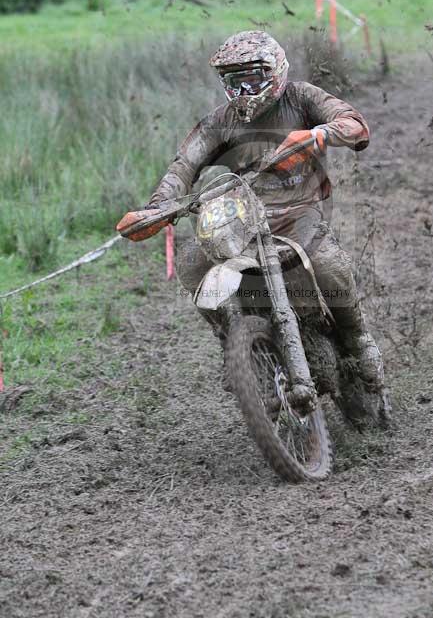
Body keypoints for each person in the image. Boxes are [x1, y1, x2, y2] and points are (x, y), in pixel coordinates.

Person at [143, 30, 391, 427]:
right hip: (241, 220)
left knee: (328, 265)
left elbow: (355, 124)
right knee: (191, 262)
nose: (245, 89)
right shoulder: (221, 122)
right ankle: (235, 344)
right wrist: (157, 207)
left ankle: (357, 338)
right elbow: (184, 164)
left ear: (275, 71)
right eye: (234, 80)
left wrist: (319, 134)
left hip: (299, 214)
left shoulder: (301, 97)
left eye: (254, 78)